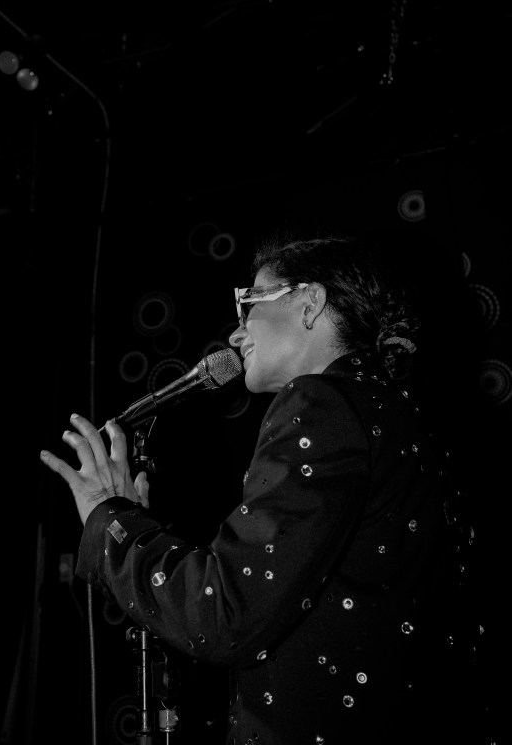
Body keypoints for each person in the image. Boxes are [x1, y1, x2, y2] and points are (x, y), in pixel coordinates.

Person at [40, 233, 489, 745]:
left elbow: (225, 615)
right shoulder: (401, 415)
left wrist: (110, 520)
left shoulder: (320, 403)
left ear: (310, 303)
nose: (236, 334)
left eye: (248, 304)